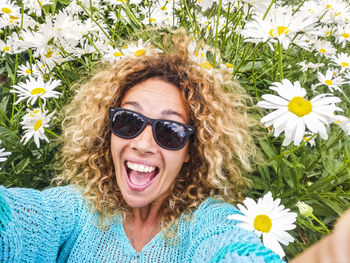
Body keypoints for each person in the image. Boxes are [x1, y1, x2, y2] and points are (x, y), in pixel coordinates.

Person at [0, 30, 348, 262]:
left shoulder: (208, 223)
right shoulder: (74, 209)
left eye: (170, 131)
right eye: (128, 121)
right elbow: (16, 223)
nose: (143, 143)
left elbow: (230, 250)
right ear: (106, 133)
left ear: (191, 152)